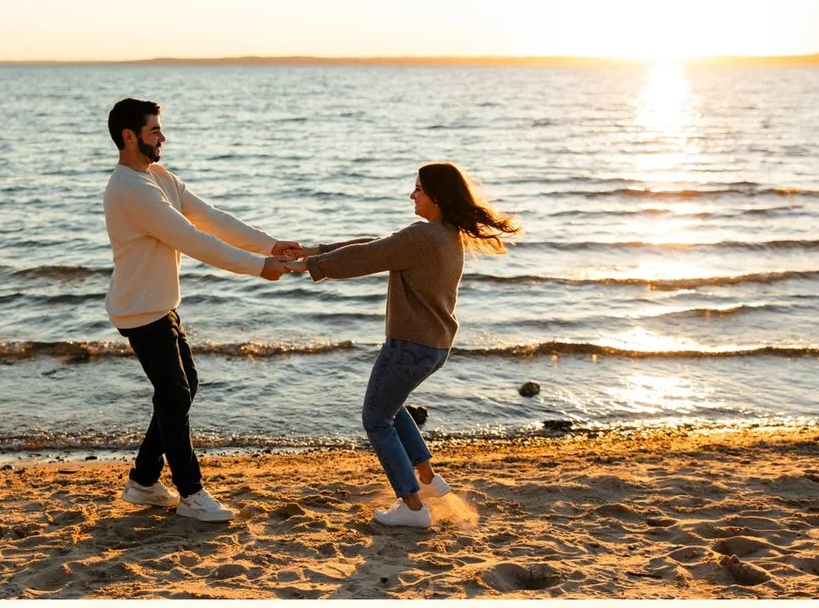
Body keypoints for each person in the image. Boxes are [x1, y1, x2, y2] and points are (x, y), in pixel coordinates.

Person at [99, 98, 306, 522]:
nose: (163, 137)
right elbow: (192, 239)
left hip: (160, 304)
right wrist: (258, 267)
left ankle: (142, 481)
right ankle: (190, 493)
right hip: (140, 310)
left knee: (182, 388)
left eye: (160, 129)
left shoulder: (157, 177)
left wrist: (268, 245)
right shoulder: (130, 190)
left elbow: (210, 218)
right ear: (129, 136)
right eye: (154, 130)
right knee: (174, 394)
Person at [302, 161, 520, 529]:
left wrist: (311, 265)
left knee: (375, 419)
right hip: (434, 347)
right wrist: (316, 252)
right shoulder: (447, 234)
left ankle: (412, 507)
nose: (411, 194)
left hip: (408, 346)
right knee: (392, 406)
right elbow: (378, 245)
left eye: (417, 188)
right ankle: (428, 480)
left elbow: (368, 256)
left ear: (435, 196)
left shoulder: (422, 236)